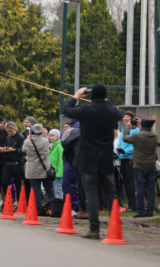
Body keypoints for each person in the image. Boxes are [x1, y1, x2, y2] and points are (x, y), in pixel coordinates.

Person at [63, 85, 123, 239]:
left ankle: (94, 229)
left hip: (87, 159)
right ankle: (115, 226)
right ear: (105, 96)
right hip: (105, 159)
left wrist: (76, 95)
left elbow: (67, 110)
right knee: (111, 194)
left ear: (90, 96)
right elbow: (117, 114)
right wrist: (105, 101)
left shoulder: (85, 110)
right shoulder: (110, 110)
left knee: (91, 194)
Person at [122, 118, 158, 218]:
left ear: (142, 126)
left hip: (139, 166)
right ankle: (149, 210)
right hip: (151, 166)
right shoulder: (154, 135)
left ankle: (141, 211)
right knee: (151, 189)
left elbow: (125, 138)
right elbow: (146, 128)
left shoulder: (137, 135)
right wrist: (142, 123)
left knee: (139, 189)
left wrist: (128, 127)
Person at [23, 124, 55, 214]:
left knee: (36, 189)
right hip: (45, 168)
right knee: (49, 189)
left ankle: (38, 209)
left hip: (32, 168)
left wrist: (27, 138)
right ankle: (52, 208)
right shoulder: (45, 141)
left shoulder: (27, 141)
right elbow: (48, 149)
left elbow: (23, 150)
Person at [116, 112, 139, 212]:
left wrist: (125, 151)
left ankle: (133, 205)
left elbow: (135, 146)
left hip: (129, 158)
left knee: (130, 183)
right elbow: (120, 144)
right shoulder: (123, 130)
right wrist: (117, 153)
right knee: (125, 182)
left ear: (132, 120)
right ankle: (130, 204)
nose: (126, 119)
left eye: (128, 118)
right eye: (124, 117)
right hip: (122, 159)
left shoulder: (135, 130)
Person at [0, 121, 25, 202]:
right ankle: (8, 201)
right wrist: (4, 149)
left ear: (15, 129)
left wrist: (13, 149)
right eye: (8, 131)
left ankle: (19, 202)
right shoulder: (8, 137)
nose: (10, 133)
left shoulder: (21, 137)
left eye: (11, 131)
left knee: (18, 184)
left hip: (18, 162)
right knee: (4, 182)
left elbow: (23, 150)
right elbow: (6, 145)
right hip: (8, 161)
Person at [48, 129, 64, 199]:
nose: (51, 137)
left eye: (53, 136)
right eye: (50, 136)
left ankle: (59, 206)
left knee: (58, 189)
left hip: (56, 172)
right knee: (53, 189)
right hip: (51, 172)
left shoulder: (59, 146)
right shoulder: (51, 146)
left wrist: (59, 172)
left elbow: (61, 160)